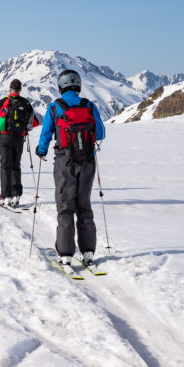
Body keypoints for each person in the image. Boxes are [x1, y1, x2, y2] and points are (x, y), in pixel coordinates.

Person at [35, 69, 106, 266]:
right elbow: (100, 133)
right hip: (87, 161)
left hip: (64, 161)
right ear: (78, 86)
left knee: (65, 206)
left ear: (60, 87)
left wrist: (41, 151)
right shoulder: (89, 106)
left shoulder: (55, 107)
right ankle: (88, 251)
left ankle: (65, 253)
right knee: (84, 205)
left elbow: (46, 134)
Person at [0, 79, 39, 206]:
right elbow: (35, 122)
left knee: (5, 166)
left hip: (6, 137)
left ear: (10, 89)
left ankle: (6, 196)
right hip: (19, 139)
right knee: (16, 166)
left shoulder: (6, 100)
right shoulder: (26, 103)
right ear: (20, 90)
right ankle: (17, 195)